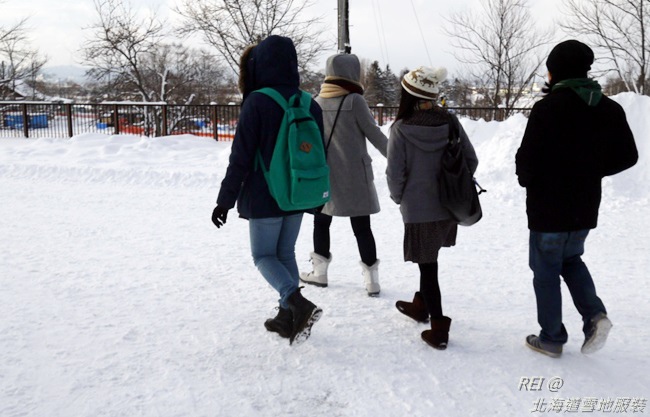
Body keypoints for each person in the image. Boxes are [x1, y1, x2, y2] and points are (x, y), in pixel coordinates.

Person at [516, 40, 638, 358]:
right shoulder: (609, 108)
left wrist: (527, 179)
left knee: (545, 269)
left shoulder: (547, 109)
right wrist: (591, 171)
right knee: (570, 259)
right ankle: (595, 316)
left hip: (548, 208)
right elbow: (629, 156)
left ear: (555, 72)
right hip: (584, 207)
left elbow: (527, 160)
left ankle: (551, 338)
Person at [212, 35, 324, 345]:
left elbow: (241, 158)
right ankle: (286, 317)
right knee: (284, 252)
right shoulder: (308, 102)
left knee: (263, 255)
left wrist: (224, 201)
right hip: (298, 192)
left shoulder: (258, 101)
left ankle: (297, 302)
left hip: (264, 193)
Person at [386, 66, 478, 350]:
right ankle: (420, 305)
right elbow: (470, 160)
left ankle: (438, 327)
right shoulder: (449, 122)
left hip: (418, 209)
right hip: (448, 207)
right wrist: (454, 186)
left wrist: (400, 198)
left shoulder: (400, 129)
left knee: (428, 266)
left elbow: (395, 174)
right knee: (429, 256)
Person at [299, 53, 388, 296]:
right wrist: (399, 158)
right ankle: (372, 281)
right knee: (362, 227)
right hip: (355, 175)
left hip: (325, 175)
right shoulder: (355, 101)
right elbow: (374, 134)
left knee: (321, 221)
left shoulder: (316, 102)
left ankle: (320, 273)